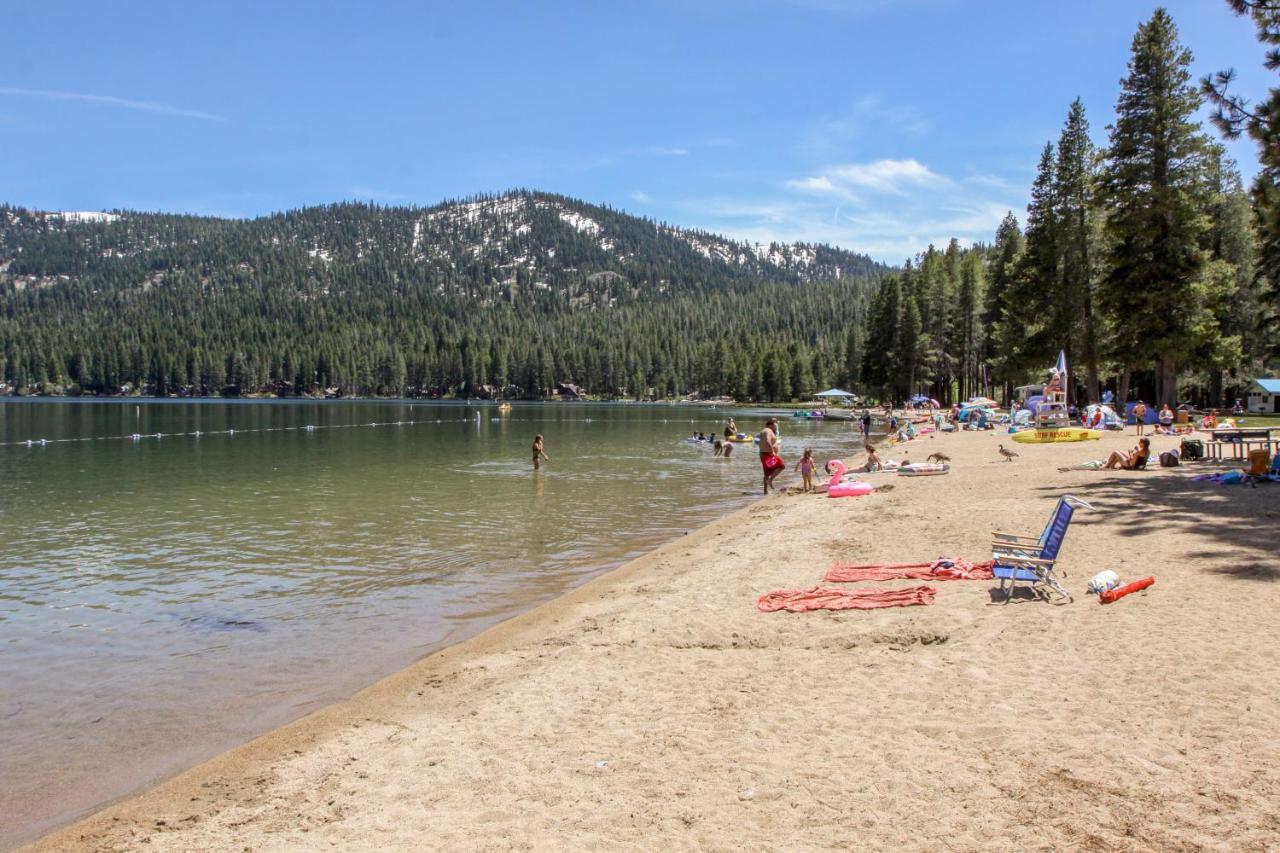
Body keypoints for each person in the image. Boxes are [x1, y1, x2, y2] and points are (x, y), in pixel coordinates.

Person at [758, 417, 785, 494]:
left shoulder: (764, 430)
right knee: (781, 466)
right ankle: (770, 480)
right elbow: (767, 440)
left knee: (766, 472)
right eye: (774, 424)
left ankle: (765, 491)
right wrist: (772, 451)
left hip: (763, 453)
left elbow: (762, 442)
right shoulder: (769, 431)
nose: (776, 425)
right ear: (770, 425)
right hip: (768, 454)